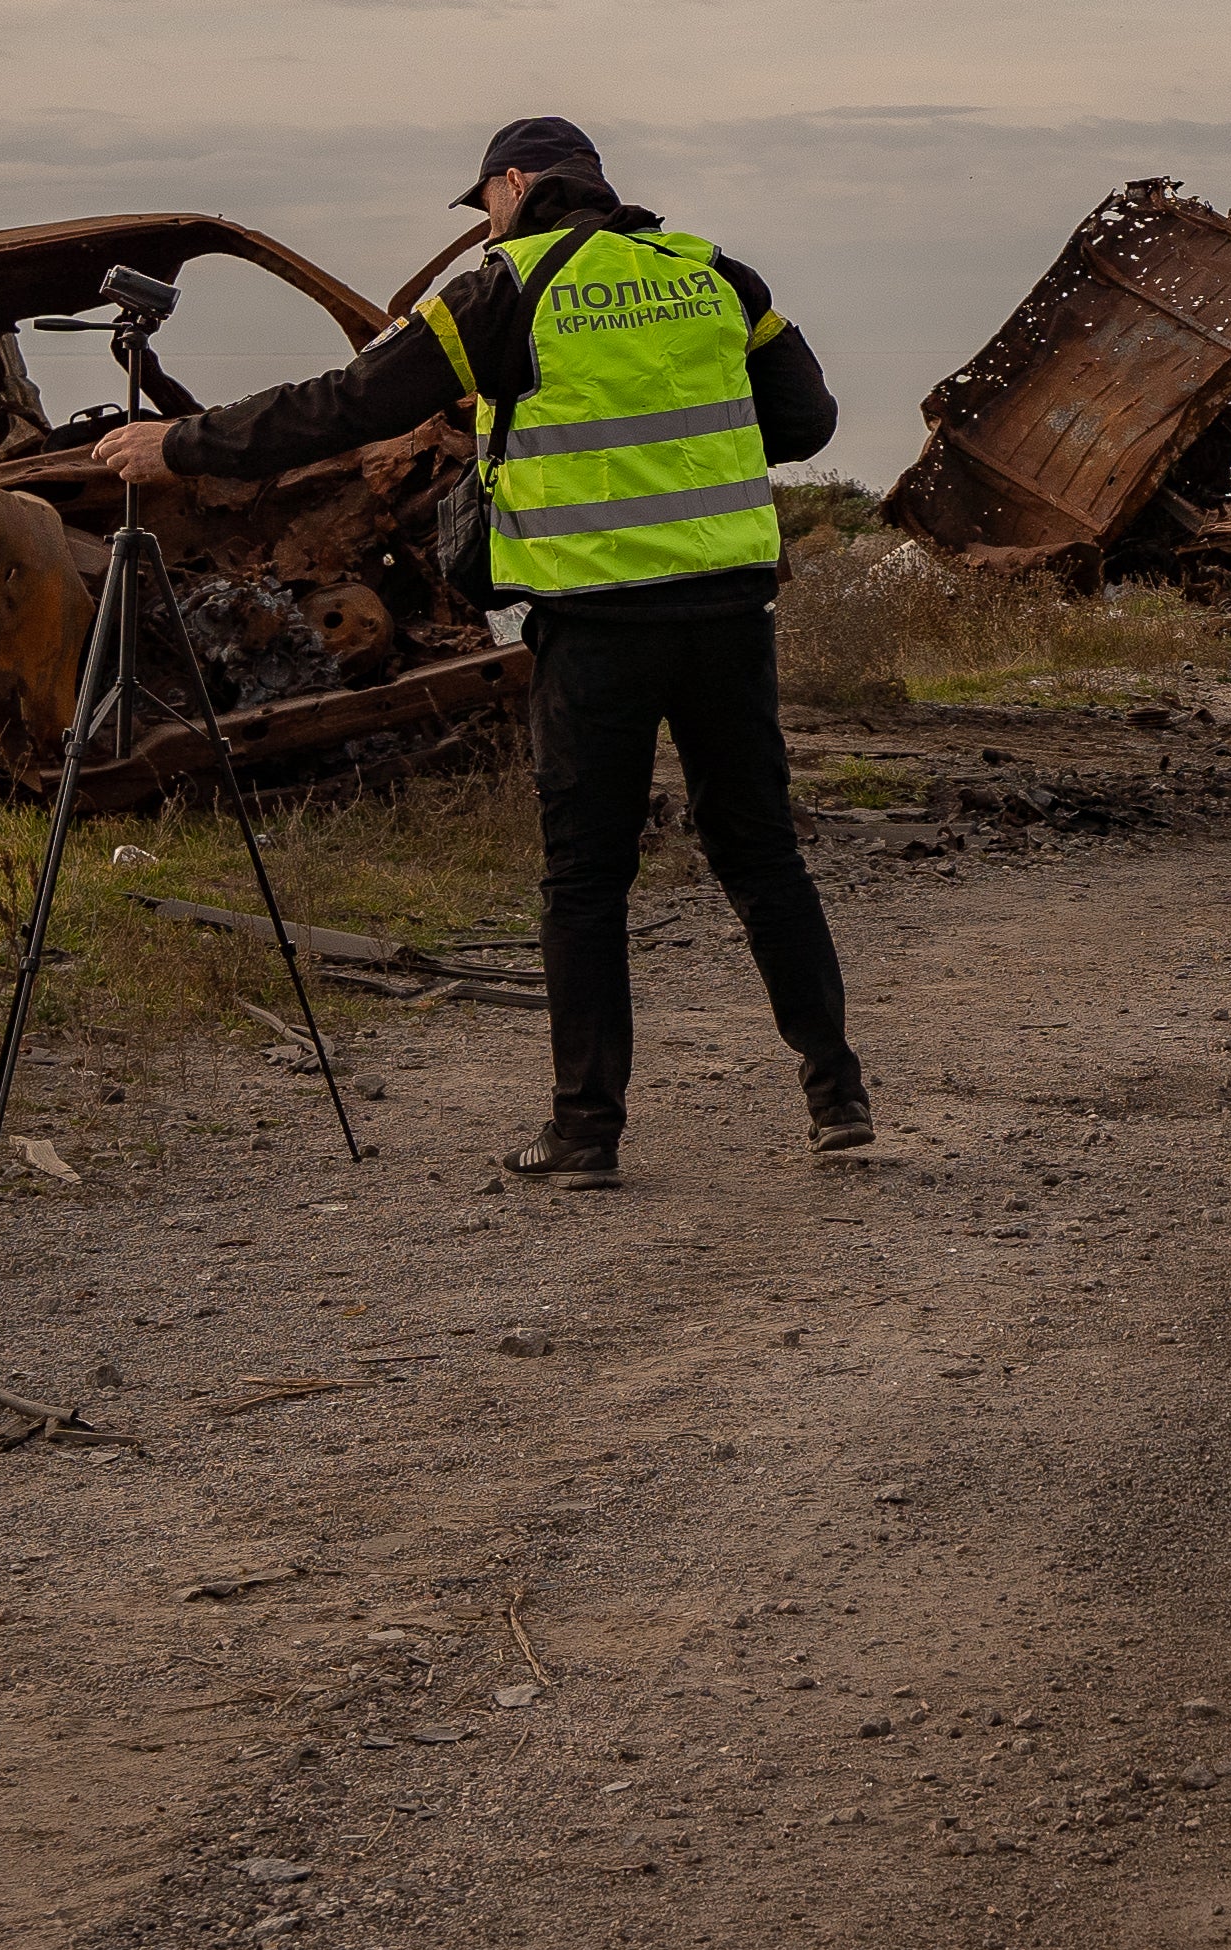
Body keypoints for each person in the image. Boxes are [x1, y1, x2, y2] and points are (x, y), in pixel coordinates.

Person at [95, 118, 865, 1185]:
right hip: (728, 618)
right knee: (761, 854)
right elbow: (809, 419)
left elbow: (347, 404)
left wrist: (177, 444)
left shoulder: (506, 287)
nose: (482, 223)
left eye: (483, 204)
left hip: (596, 628)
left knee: (586, 879)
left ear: (513, 186)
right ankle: (837, 1096)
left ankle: (587, 1135)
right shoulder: (715, 274)